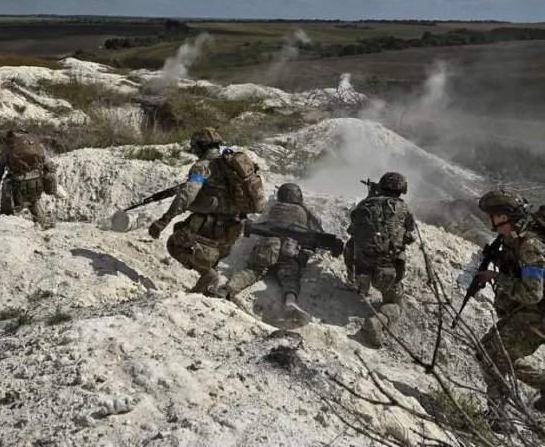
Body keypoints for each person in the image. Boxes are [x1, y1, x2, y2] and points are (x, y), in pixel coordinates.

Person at [474, 188, 545, 431]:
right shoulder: (515, 240)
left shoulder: (531, 245)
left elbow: (532, 293)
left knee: (490, 354)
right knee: (490, 354)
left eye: (492, 215)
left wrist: (496, 278)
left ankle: (499, 417)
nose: (488, 220)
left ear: (503, 217)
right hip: (531, 313)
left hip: (540, 316)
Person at [147, 127, 264, 294]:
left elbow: (188, 194)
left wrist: (164, 220)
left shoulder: (202, 166)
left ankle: (208, 275)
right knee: (186, 230)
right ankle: (208, 286)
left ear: (201, 147)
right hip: (232, 231)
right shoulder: (233, 167)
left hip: (209, 227)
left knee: (174, 242)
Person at [211, 183, 322, 328]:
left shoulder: (274, 208)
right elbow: (315, 232)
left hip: (268, 248)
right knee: (290, 278)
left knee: (251, 272)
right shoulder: (304, 212)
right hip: (289, 251)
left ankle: (226, 290)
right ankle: (290, 302)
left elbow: (261, 223)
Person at [344, 172, 416, 347]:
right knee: (397, 305)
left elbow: (351, 229)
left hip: (360, 266)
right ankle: (378, 321)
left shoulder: (365, 204)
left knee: (351, 244)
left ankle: (357, 284)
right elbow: (411, 229)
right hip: (386, 269)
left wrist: (371, 198)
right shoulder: (403, 208)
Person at [0, 129, 57, 228]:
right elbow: (50, 166)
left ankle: (7, 222)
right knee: (34, 201)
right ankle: (42, 222)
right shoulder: (38, 147)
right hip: (37, 184)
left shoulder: (7, 150)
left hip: (17, 187)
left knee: (6, 203)